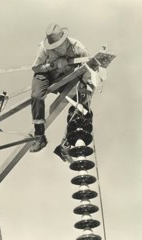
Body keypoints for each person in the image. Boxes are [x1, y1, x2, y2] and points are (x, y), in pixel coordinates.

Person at [29, 23, 93, 160]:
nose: (57, 49)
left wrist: (85, 92)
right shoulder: (43, 48)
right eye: (54, 47)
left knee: (82, 103)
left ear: (65, 40)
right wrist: (53, 65)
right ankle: (39, 135)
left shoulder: (78, 47)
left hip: (66, 77)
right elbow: (36, 68)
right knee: (36, 96)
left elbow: (89, 70)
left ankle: (65, 144)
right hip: (47, 75)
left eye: (59, 46)